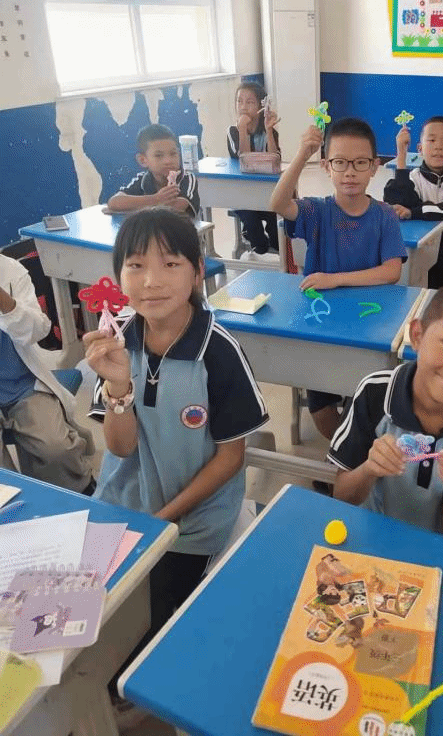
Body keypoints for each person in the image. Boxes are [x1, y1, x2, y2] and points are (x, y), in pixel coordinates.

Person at [85, 208, 268, 647]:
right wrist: (118, 386)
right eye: (135, 265)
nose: (151, 281)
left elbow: (231, 457)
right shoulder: (117, 343)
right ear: (119, 276)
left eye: (170, 264)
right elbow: (121, 448)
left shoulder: (219, 352)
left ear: (197, 271)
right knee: (97, 614)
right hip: (122, 505)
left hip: (192, 522)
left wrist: (163, 520)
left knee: (161, 626)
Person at [328, 280, 443, 555]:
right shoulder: (375, 393)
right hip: (380, 535)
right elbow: (342, 496)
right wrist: (369, 468)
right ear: (417, 335)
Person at [270, 117, 406, 441]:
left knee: (372, 395)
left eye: (360, 163)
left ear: (374, 167)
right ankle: (342, 449)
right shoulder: (317, 211)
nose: (349, 172)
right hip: (322, 324)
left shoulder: (385, 215)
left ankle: (354, 444)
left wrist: (336, 279)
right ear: (326, 166)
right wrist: (302, 153)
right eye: (340, 162)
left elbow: (392, 271)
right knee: (322, 404)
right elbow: (277, 203)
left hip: (370, 324)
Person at [0, 254, 95, 494]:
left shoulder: (10, 270)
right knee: (5, 483)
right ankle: (16, 507)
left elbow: (39, 330)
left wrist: (6, 303)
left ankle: (81, 491)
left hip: (22, 384)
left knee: (55, 449)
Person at [383, 115, 443, 285]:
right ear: (420, 149)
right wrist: (402, 155)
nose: (439, 146)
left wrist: (414, 212)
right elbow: (398, 202)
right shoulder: (414, 177)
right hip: (430, 263)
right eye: (432, 140)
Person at [227, 81, 280, 257]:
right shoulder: (233, 131)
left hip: (267, 192)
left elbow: (275, 159)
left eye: (249, 102)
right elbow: (244, 160)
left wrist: (269, 130)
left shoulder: (269, 131)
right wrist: (242, 129)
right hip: (243, 193)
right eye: (239, 101)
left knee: (276, 220)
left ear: (260, 106)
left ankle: (277, 244)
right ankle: (258, 245)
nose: (243, 107)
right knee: (251, 219)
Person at [107, 124, 200, 217]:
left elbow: (175, 208)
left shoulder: (186, 178)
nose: (168, 161)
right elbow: (114, 202)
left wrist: (134, 207)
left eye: (173, 154)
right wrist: (156, 199)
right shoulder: (143, 179)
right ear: (143, 160)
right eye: (158, 155)